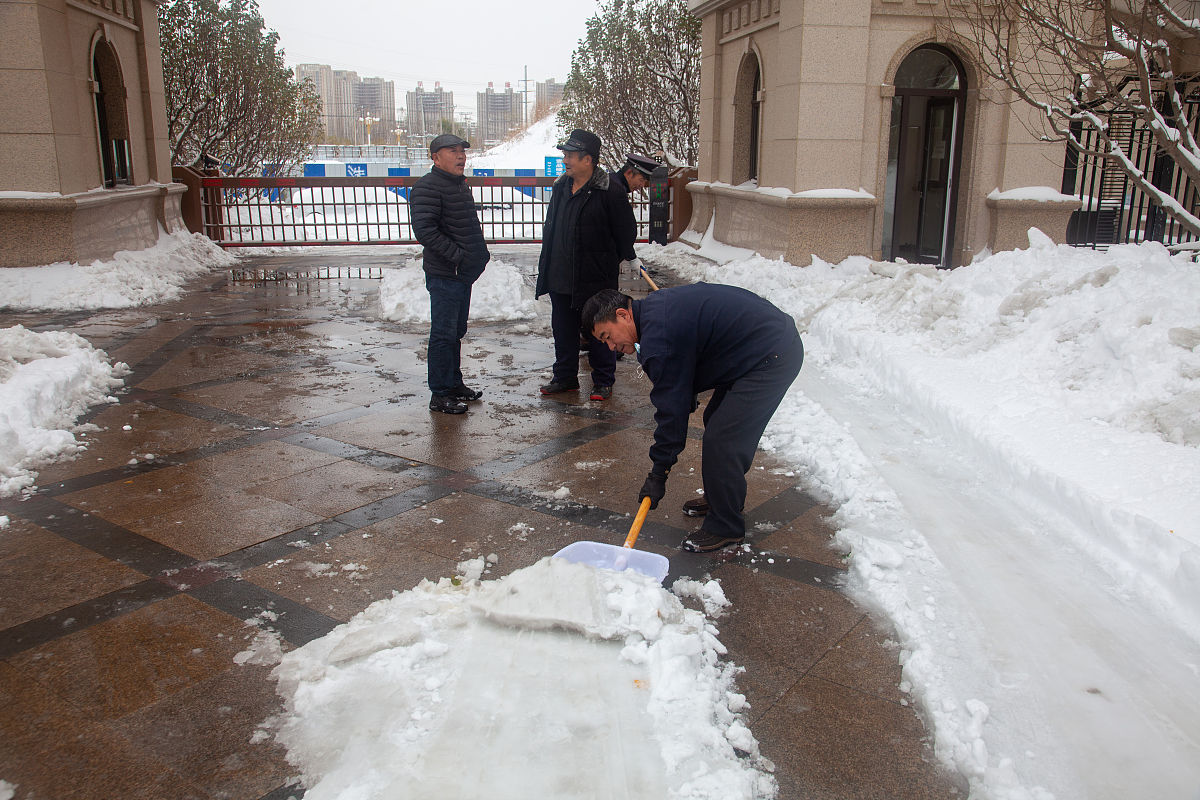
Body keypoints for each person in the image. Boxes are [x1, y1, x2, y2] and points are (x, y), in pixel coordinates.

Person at [582, 284, 804, 552]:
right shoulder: (651, 315)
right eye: (603, 342)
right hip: (752, 346)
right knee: (717, 419)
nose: (610, 347)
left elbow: (671, 415)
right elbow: (679, 381)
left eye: (607, 336)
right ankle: (723, 500)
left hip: (770, 354)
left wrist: (658, 473)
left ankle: (726, 526)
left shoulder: (658, 340)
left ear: (623, 315)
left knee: (724, 438)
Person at [536, 129, 635, 402]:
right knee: (563, 330)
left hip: (595, 279)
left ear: (588, 159)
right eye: (565, 154)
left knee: (601, 330)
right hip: (560, 275)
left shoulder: (610, 191)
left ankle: (603, 381)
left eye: (570, 155)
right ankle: (565, 377)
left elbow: (626, 233)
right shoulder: (560, 187)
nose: (565, 159)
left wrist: (609, 260)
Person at [410, 133, 491, 415]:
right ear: (435, 157)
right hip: (445, 273)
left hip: (461, 274)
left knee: (456, 332)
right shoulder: (427, 188)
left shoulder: (458, 185)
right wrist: (458, 257)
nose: (461, 156)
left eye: (462, 152)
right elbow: (425, 231)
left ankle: (454, 384)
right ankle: (440, 393)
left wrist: (477, 257)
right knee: (443, 335)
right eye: (453, 151)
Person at [610, 153, 658, 281]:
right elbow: (620, 228)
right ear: (629, 173)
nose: (642, 185)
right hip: (604, 258)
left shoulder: (614, 184)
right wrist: (632, 258)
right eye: (641, 180)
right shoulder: (615, 190)